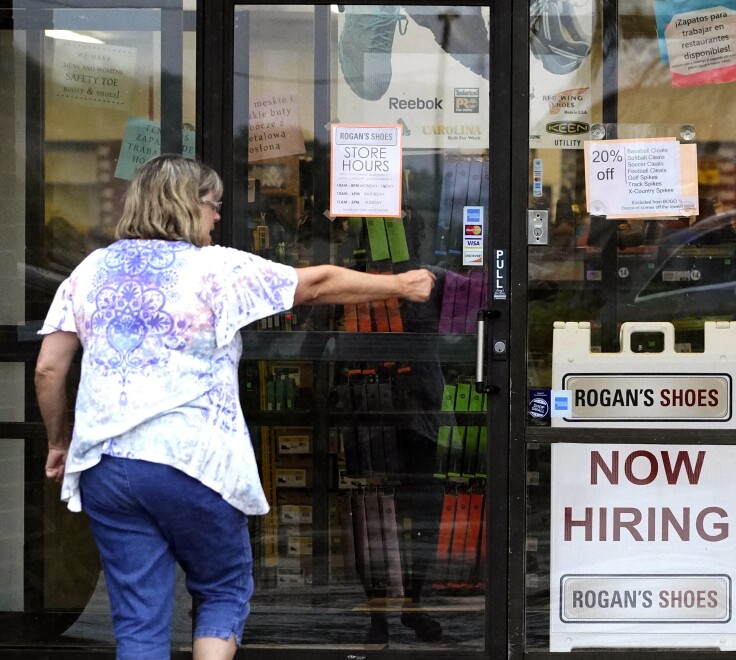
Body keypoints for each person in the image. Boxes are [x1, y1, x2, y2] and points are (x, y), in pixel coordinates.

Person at [34, 153, 436, 660]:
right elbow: (315, 285)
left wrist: (58, 442)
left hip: (108, 468)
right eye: (213, 204)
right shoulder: (215, 268)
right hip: (194, 463)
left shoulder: (91, 270)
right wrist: (402, 285)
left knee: (138, 623)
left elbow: (49, 368)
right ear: (185, 206)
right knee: (223, 588)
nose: (218, 216)